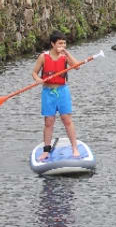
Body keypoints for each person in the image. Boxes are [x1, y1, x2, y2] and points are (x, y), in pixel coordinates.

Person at [32, 31, 81, 161]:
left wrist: (67, 53)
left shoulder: (65, 57)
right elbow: (34, 73)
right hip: (48, 92)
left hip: (62, 91)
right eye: (60, 43)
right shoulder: (43, 57)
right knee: (49, 122)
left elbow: (77, 67)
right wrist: (37, 79)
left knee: (67, 120)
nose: (62, 46)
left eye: (64, 43)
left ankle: (74, 148)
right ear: (53, 44)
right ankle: (46, 151)